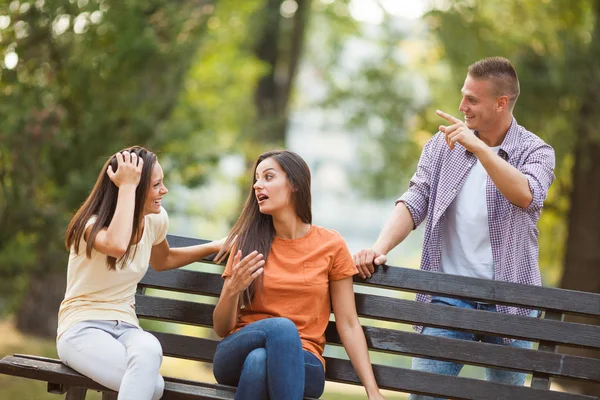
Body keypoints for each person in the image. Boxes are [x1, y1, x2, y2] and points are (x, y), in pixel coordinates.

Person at [353, 57, 556, 399]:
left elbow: (526, 195)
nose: (462, 106)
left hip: (510, 300)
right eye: (463, 96)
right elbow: (415, 199)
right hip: (447, 296)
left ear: (501, 103)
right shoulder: (441, 147)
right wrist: (380, 246)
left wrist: (479, 148)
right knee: (423, 394)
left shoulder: (535, 151)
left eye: (472, 100)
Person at [211, 150, 386, 400]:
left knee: (259, 361)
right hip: (235, 353)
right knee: (280, 330)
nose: (257, 185)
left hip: (305, 362)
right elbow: (221, 328)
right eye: (257, 179)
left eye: (268, 177)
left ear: (294, 183)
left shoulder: (330, 245)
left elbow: (348, 323)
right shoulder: (248, 243)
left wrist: (373, 392)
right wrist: (231, 290)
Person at [57, 146, 224, 400]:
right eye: (156, 185)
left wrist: (213, 246)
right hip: (81, 328)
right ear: (132, 189)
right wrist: (127, 186)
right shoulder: (89, 227)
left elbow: (164, 259)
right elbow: (116, 245)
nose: (164, 191)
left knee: (149, 348)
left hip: (127, 328)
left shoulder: (155, 220)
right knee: (152, 386)